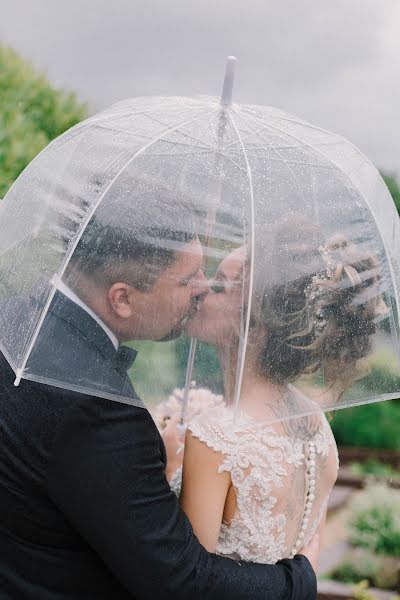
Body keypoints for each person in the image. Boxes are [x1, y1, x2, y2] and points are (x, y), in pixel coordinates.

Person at [0, 181, 318, 599]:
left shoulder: (16, 317)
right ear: (123, 300)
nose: (204, 289)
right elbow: (183, 582)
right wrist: (300, 580)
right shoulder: (99, 408)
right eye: (189, 279)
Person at [164, 215, 383, 564]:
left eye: (220, 286)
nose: (201, 289)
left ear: (255, 324)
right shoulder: (315, 423)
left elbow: (189, 580)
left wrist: (166, 471)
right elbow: (306, 556)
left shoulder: (217, 437)